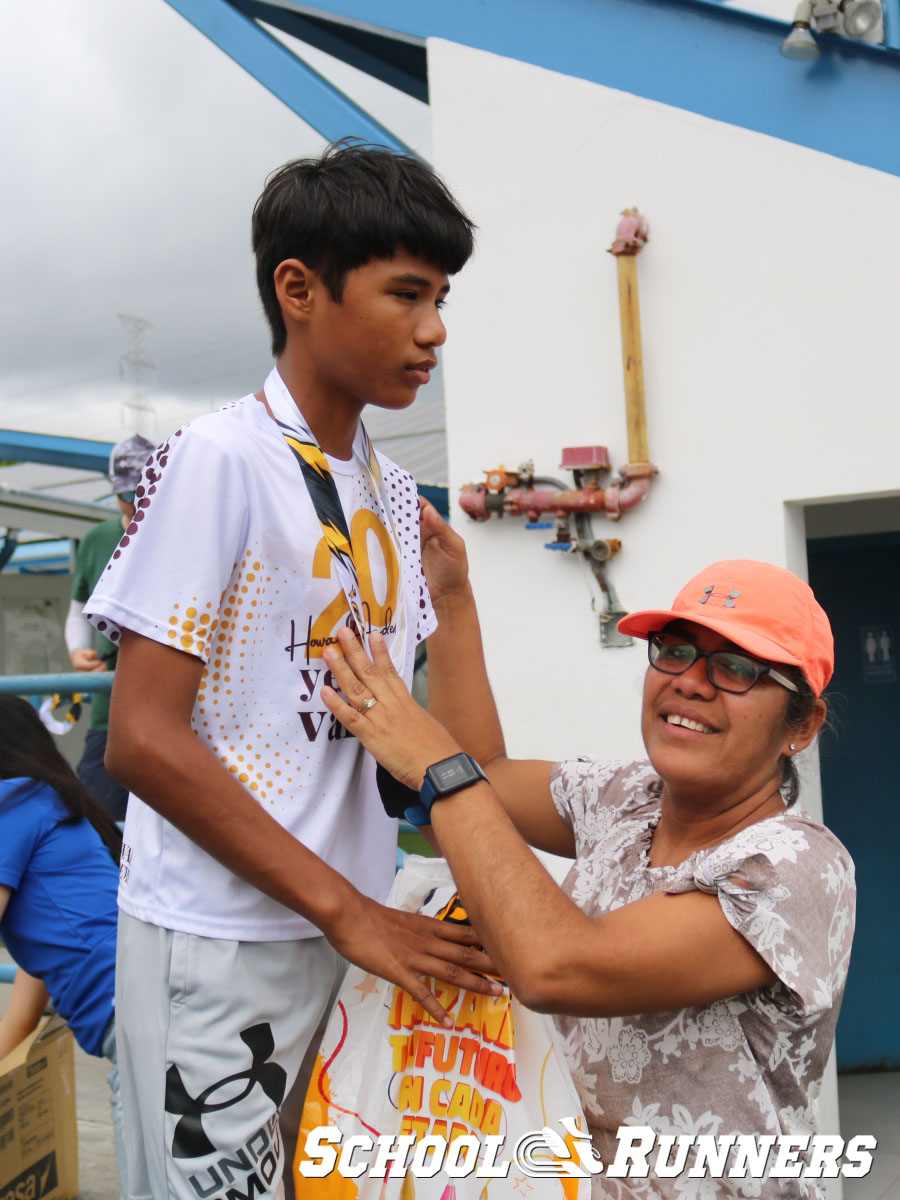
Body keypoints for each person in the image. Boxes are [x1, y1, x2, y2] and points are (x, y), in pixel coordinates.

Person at [84, 142, 497, 1200]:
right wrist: (348, 911)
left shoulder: (397, 497)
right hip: (226, 938)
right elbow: (142, 738)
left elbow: (453, 767)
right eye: (407, 293)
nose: (435, 330)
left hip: (349, 934)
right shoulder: (222, 458)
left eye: (442, 297)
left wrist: (455, 608)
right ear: (299, 290)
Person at [321, 510, 856, 1199]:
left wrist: (435, 763)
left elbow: (556, 966)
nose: (691, 681)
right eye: (673, 649)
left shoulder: (795, 868)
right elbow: (483, 768)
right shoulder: (625, 799)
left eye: (736, 667)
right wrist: (450, 596)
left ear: (802, 726)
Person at [0, 695, 127, 1198]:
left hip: (136, 1014)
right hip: (144, 1005)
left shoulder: (11, 802)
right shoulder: (53, 807)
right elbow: (22, 1019)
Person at [65, 433, 155, 820]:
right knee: (99, 818)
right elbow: (77, 610)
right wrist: (77, 651)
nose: (135, 503)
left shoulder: (185, 532)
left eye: (142, 491)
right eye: (126, 493)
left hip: (173, 701)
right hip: (109, 704)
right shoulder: (97, 540)